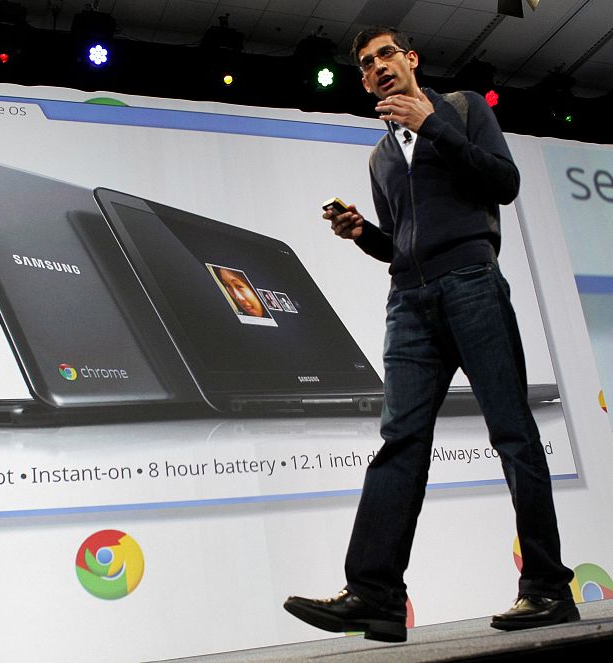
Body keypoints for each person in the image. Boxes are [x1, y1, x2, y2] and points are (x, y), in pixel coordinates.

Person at [283, 25, 578, 643]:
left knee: (513, 435)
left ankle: (548, 588)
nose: (377, 67)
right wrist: (363, 233)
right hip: (409, 304)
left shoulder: (463, 110)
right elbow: (401, 246)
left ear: (411, 59)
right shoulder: (381, 158)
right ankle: (376, 596)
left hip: (472, 283)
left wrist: (433, 124)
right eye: (366, 64)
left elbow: (504, 183)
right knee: (400, 442)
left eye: (386, 55)